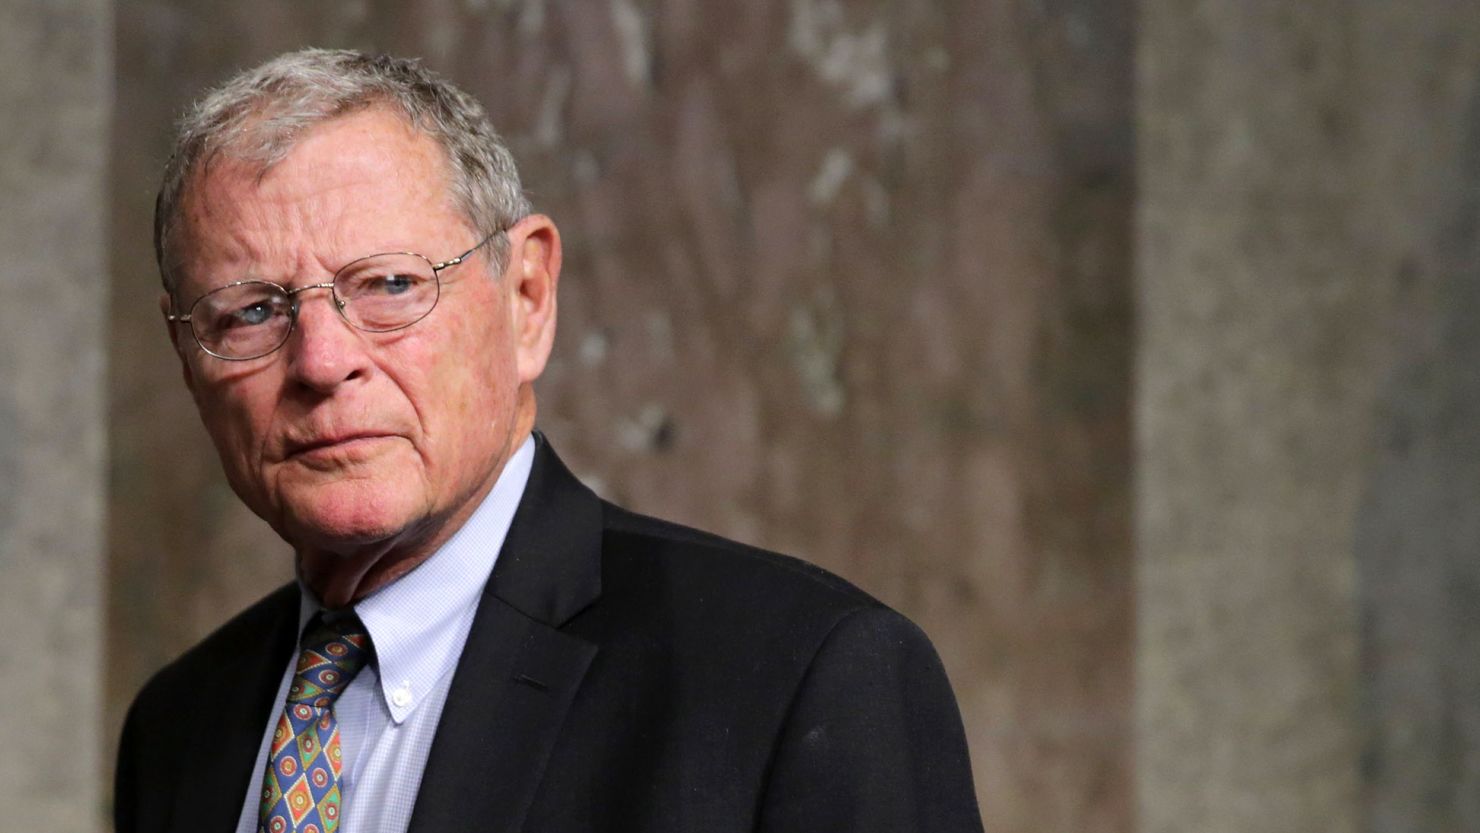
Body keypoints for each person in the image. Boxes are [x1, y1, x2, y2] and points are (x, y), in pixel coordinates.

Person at [115, 48, 983, 833]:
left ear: (527, 296)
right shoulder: (179, 725)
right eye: (253, 310)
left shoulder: (799, 680)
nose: (323, 361)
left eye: (387, 284)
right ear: (187, 356)